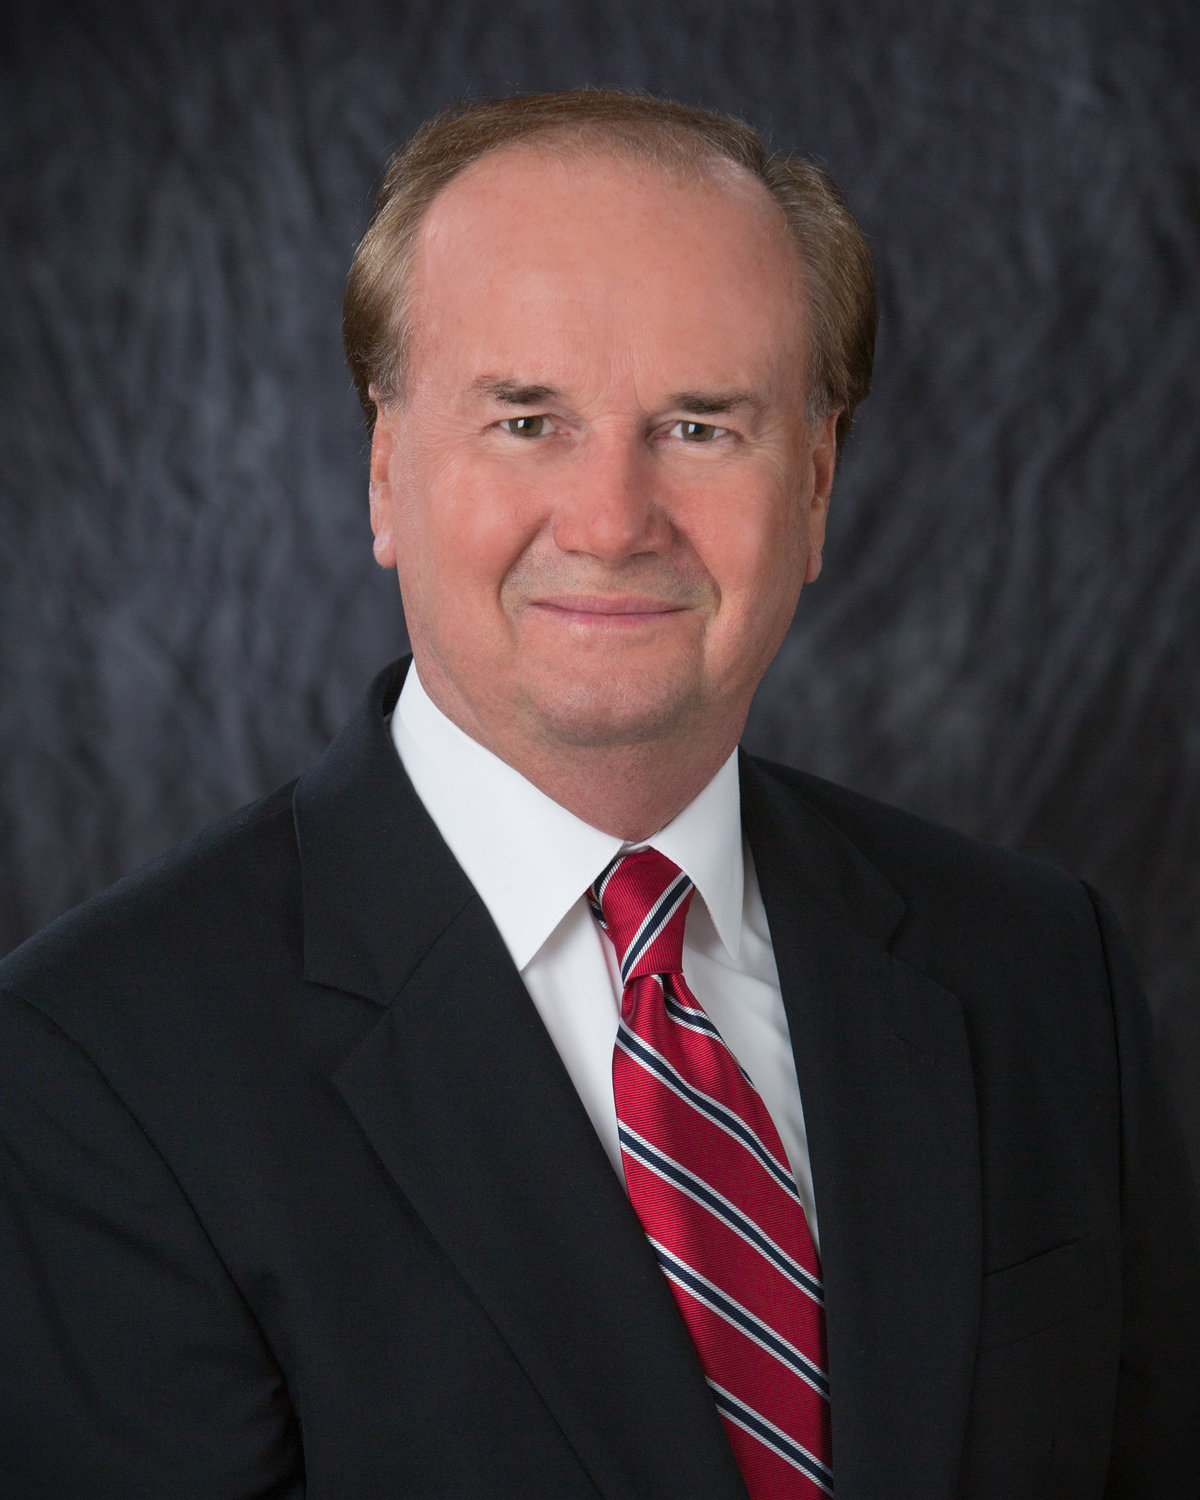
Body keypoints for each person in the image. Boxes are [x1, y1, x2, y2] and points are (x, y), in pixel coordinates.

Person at [1, 89, 1197, 1500]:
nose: (614, 520)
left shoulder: (1038, 968)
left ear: (813, 485)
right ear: (385, 469)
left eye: (700, 427)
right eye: (526, 420)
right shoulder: (94, 1066)